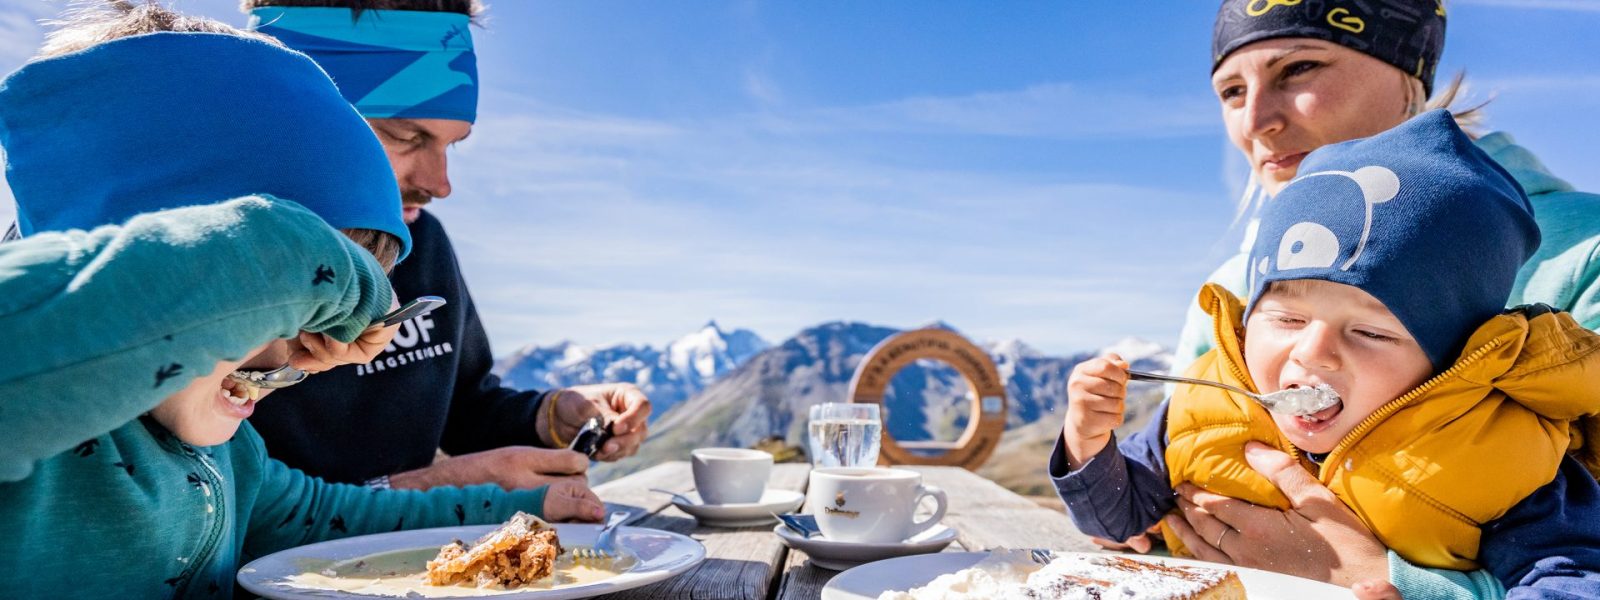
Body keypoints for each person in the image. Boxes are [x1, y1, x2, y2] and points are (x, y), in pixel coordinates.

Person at [0, 5, 596, 596]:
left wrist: (517, 504)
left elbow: (323, 518)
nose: (311, 354)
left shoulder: (234, 459)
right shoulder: (38, 420)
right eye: (297, 303)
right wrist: (293, 260)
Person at [1150, 0, 1600, 594]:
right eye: (1232, 91)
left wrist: (1379, 580)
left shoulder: (1585, 256)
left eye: (1298, 69)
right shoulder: (1234, 287)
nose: (1255, 120)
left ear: (1410, 77)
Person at [1056, 111, 1600, 597]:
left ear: (1450, 358)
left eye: (1371, 332)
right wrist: (1087, 444)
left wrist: (1418, 593)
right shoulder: (1205, 404)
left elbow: (1573, 579)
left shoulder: (1503, 460)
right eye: (1287, 319)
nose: (1313, 353)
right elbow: (1120, 518)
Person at [238, 0, 649, 499]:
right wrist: (435, 490)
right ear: (302, 114)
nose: (440, 184)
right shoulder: (200, 263)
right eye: (408, 137)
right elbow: (210, 512)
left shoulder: (421, 242)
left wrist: (551, 415)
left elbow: (462, 408)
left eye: (451, 145)